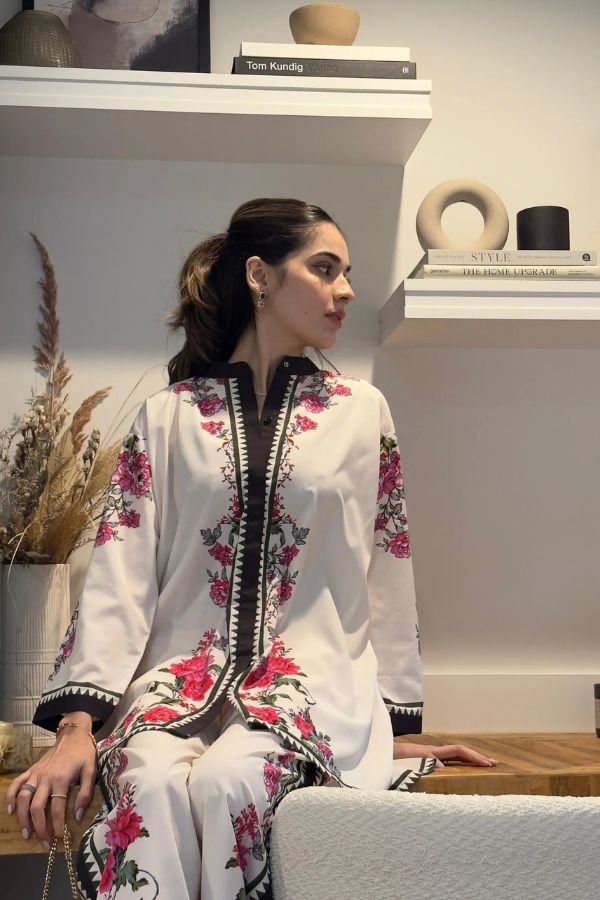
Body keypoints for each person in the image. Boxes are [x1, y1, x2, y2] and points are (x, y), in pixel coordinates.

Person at [6, 198, 496, 899]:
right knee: (145, 783)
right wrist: (76, 727)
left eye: (347, 272)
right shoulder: (168, 415)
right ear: (260, 276)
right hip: (171, 692)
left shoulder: (362, 413)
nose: (346, 290)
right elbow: (122, 570)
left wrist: (386, 727)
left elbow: (387, 567)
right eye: (324, 269)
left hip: (309, 694)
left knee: (227, 782)